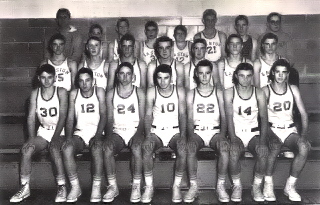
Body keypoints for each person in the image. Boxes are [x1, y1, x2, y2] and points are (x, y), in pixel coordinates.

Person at [10, 64, 68, 202]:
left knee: (54, 149)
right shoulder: (35, 93)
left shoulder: (61, 92)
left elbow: (64, 116)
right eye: (43, 78)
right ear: (38, 78)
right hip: (44, 131)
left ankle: (62, 186)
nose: (46, 81)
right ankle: (25, 188)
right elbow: (31, 117)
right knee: (26, 150)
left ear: (54, 78)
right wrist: (31, 139)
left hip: (60, 131)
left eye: (49, 78)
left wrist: (55, 137)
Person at [262, 59, 310, 202]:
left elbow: (304, 114)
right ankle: (268, 184)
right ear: (272, 73)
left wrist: (303, 135)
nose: (280, 76)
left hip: (289, 130)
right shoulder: (265, 90)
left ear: (288, 74)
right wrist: (270, 135)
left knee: (304, 147)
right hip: (272, 129)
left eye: (284, 72)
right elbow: (261, 118)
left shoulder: (293, 89)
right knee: (275, 146)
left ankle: (290, 186)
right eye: (278, 72)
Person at [185, 60, 229, 203]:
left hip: (214, 131)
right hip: (197, 132)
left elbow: (224, 116)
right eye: (201, 73)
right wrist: (191, 136)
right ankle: (193, 186)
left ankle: (220, 186)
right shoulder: (191, 94)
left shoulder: (218, 92)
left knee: (224, 148)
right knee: (190, 148)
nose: (204, 77)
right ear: (196, 75)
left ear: (211, 74)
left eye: (207, 73)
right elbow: (189, 119)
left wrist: (222, 135)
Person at [141, 64, 187, 203]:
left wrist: (183, 135)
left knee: (183, 149)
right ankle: (149, 187)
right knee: (146, 147)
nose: (162, 82)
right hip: (157, 130)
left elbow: (183, 115)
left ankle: (176, 186)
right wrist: (148, 135)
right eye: (159, 78)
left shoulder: (179, 91)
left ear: (171, 78)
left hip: (174, 130)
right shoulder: (151, 91)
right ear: (156, 79)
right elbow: (148, 115)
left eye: (166, 78)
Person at [224, 63, 268, 202]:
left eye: (249, 76)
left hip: (253, 133)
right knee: (233, 152)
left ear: (252, 76)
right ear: (236, 76)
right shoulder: (229, 92)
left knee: (263, 151)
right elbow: (229, 117)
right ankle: (237, 186)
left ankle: (256, 186)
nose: (245, 79)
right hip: (236, 132)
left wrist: (262, 140)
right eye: (242, 76)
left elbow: (264, 118)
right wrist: (233, 137)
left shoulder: (259, 92)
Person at [62, 67, 107, 202]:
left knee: (97, 148)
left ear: (93, 81)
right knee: (66, 148)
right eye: (81, 81)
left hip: (97, 132)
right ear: (78, 82)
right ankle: (75, 187)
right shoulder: (74, 94)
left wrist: (98, 135)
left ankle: (96, 187)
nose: (84, 84)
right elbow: (70, 118)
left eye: (87, 80)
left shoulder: (99, 91)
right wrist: (69, 138)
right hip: (80, 133)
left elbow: (104, 116)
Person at [103, 62, 146, 203]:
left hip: (134, 130)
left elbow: (143, 117)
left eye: (128, 74)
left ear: (133, 76)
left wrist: (139, 134)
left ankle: (136, 185)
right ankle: (113, 186)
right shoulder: (111, 93)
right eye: (122, 73)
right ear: (117, 76)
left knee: (137, 148)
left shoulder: (139, 92)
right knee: (107, 148)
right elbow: (109, 118)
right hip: (118, 131)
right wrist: (108, 137)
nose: (125, 77)